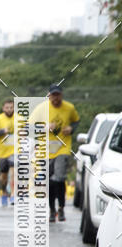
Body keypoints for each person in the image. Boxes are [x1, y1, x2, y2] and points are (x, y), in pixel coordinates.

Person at [33, 84, 79, 222]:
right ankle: (52, 210)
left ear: (61, 95)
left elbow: (76, 121)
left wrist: (71, 129)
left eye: (58, 95)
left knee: (58, 178)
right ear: (49, 96)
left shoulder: (69, 108)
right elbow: (29, 125)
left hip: (62, 148)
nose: (55, 98)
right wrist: (44, 127)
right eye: (53, 95)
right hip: (45, 149)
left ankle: (61, 207)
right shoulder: (41, 108)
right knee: (51, 182)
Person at [0, 98, 16, 206]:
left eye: (11, 107)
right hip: (1, 152)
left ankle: (13, 194)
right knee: (3, 176)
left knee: (13, 173)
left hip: (14, 151)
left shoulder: (20, 118)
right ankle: (4, 192)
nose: (9, 109)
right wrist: (2, 131)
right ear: (3, 108)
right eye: (7, 107)